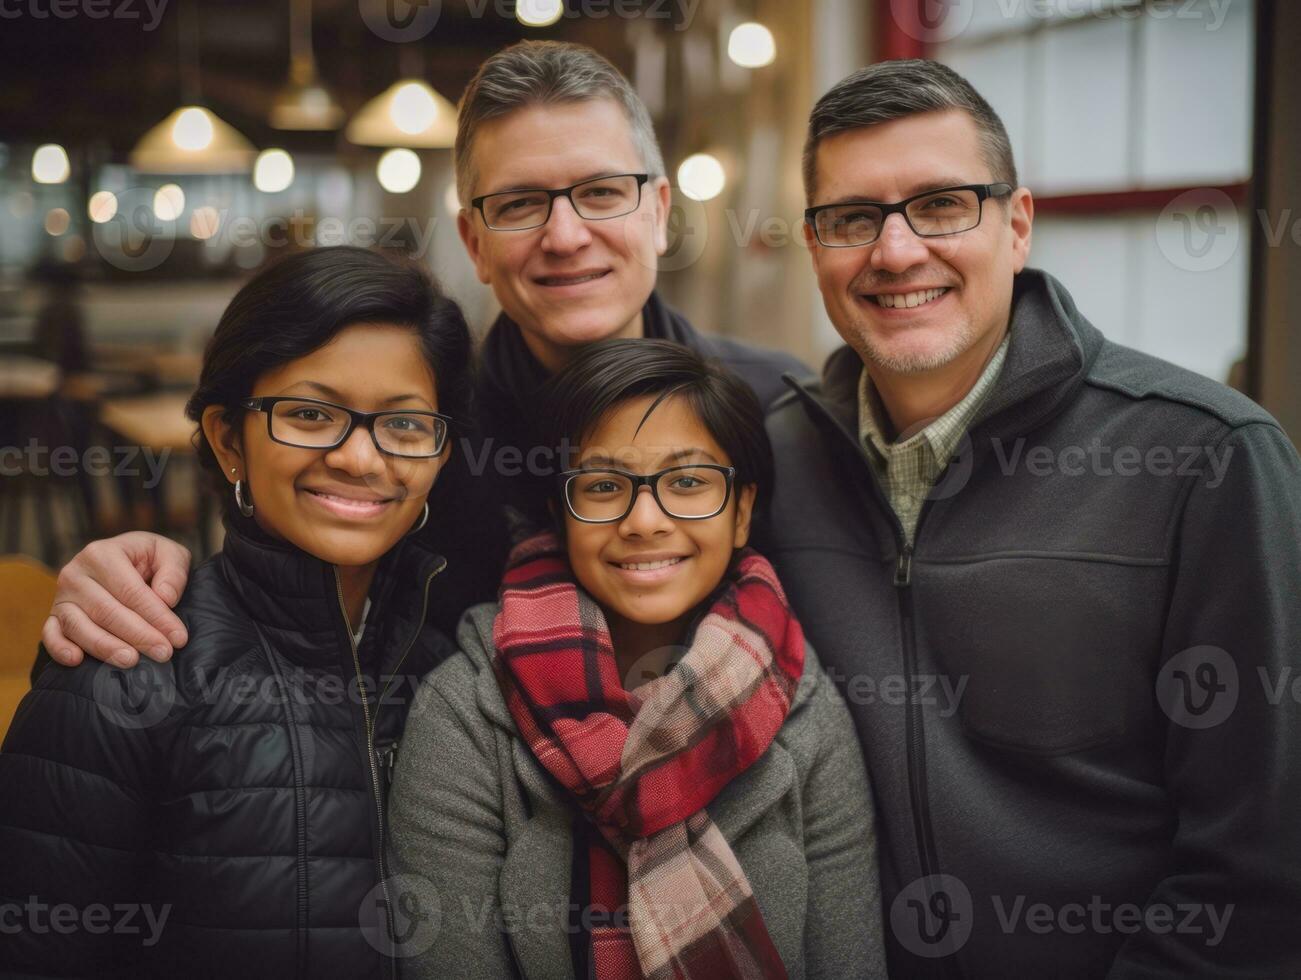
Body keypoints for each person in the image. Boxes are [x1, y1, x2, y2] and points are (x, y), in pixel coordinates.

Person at [761, 59, 1301, 977]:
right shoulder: (770, 465)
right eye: (852, 218)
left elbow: (1261, 868)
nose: (894, 253)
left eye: (940, 205)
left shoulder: (1206, 459)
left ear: (1015, 227)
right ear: (814, 246)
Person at [37, 39, 806, 672]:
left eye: (602, 192)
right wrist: (131, 571)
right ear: (473, 243)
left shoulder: (780, 411)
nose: (565, 235)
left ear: (660, 213)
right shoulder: (412, 430)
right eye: (519, 204)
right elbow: (279, 588)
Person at [0, 247, 473, 977]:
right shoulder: (126, 664)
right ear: (228, 441)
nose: (359, 457)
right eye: (311, 414)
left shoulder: (448, 671)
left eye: (405, 425)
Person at [387, 339, 884, 979]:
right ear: (558, 515)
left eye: (687, 481)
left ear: (742, 512)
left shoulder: (806, 713)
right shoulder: (463, 717)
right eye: (602, 485)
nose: (645, 520)